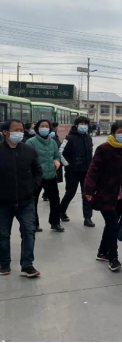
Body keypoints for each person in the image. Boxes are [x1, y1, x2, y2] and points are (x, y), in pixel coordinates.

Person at [84, 122, 122, 272]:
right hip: (106, 193)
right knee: (113, 225)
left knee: (112, 225)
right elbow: (93, 171)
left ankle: (102, 252)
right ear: (113, 133)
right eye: (119, 131)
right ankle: (113, 258)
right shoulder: (104, 149)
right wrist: (88, 190)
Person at [0, 119, 43, 278]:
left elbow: (38, 172)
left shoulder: (29, 150)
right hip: (3, 203)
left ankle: (27, 265)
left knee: (29, 232)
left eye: (21, 129)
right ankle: (4, 263)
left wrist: (32, 188)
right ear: (5, 132)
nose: (20, 132)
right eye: (16, 129)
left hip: (26, 201)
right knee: (3, 235)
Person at [26, 120, 64, 233]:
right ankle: (34, 224)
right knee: (33, 201)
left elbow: (57, 155)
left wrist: (56, 161)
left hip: (51, 175)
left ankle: (55, 222)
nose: (44, 128)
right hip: (36, 177)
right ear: (37, 128)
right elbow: (27, 159)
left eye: (47, 126)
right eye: (42, 126)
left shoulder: (52, 142)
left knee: (55, 200)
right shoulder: (30, 142)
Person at [59, 116, 95, 227]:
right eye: (81, 124)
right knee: (70, 193)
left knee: (87, 194)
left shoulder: (88, 138)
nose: (83, 126)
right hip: (72, 172)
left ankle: (87, 218)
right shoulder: (69, 138)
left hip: (86, 172)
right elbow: (61, 153)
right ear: (76, 125)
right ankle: (61, 211)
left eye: (85, 124)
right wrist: (68, 166)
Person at [42, 122, 63, 202]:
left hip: (54, 164)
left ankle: (46, 194)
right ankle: (46, 194)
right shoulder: (49, 137)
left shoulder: (55, 137)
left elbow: (57, 152)